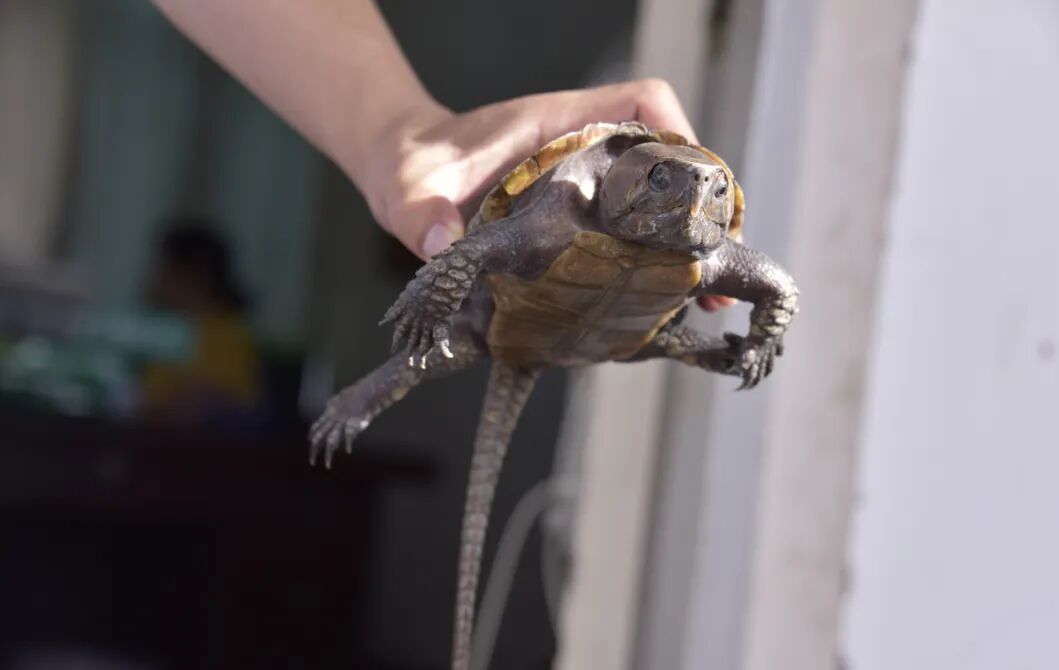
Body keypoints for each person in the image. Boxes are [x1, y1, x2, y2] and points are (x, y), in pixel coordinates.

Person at [152, 0, 733, 310]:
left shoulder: (704, 249)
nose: (696, 194)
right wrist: (397, 133)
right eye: (665, 179)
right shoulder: (566, 198)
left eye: (716, 191)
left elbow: (765, 282)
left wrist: (395, 134)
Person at [140, 221, 263, 428]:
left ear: (194, 274)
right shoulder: (161, 330)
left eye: (164, 266)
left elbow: (221, 406)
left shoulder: (229, 335)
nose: (154, 276)